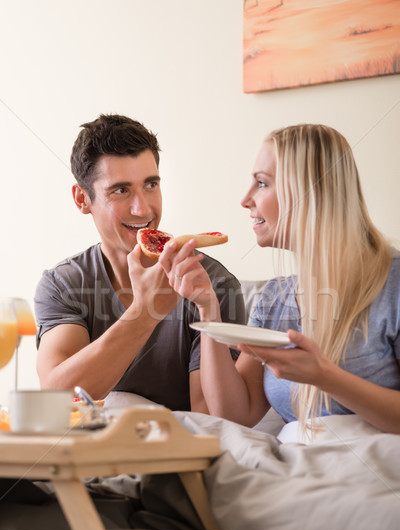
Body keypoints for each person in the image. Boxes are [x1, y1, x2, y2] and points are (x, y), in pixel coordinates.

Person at [159, 124, 400, 433]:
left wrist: (325, 376)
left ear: (311, 192)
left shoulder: (393, 285)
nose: (245, 199)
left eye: (262, 183)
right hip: (298, 467)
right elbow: (233, 414)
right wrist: (208, 309)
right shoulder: (277, 298)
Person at [34, 114, 245, 411]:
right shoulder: (63, 284)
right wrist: (145, 312)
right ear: (82, 199)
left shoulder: (213, 283)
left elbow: (210, 418)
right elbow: (57, 398)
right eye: (121, 190)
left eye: (150, 185)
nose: (142, 208)